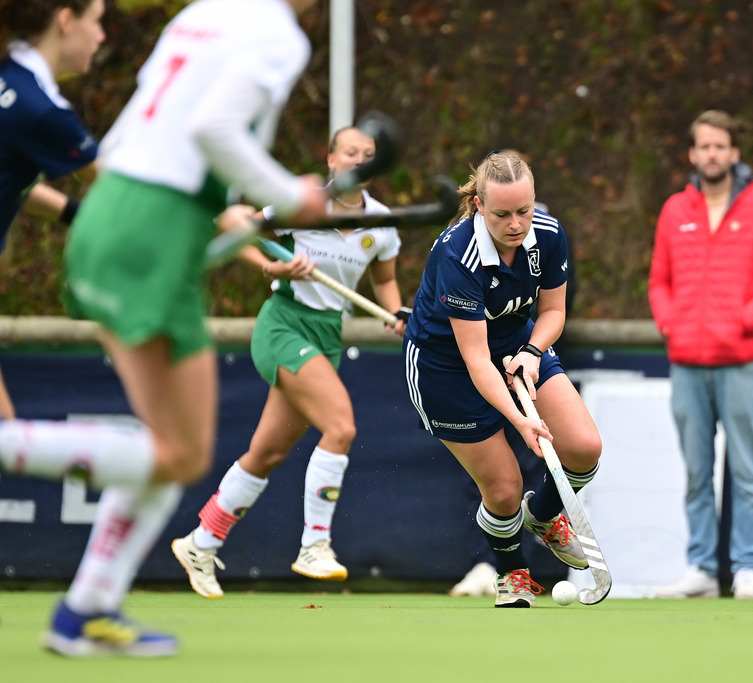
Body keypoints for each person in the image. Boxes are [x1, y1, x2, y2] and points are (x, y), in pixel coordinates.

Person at [0, 0, 329, 656]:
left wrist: (226, 208)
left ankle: (86, 610)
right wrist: (291, 196)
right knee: (180, 454)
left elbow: (142, 135)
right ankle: (86, 606)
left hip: (111, 217)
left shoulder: (203, 12)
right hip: (151, 231)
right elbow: (214, 129)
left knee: (168, 448)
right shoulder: (277, 34)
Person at [172, 126, 407, 598]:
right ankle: (314, 546)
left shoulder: (382, 222)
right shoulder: (300, 204)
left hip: (327, 335)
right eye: (350, 152)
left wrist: (396, 311)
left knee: (267, 453)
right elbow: (231, 224)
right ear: (332, 159)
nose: (358, 161)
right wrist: (271, 266)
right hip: (284, 324)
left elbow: (384, 282)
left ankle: (201, 542)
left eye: (368, 155)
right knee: (340, 427)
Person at [403, 150, 602, 608]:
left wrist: (533, 353)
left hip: (516, 341)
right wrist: (519, 419)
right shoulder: (458, 254)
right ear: (478, 205)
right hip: (444, 367)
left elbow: (553, 311)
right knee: (504, 486)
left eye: (524, 210)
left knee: (583, 447)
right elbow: (475, 361)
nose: (516, 223)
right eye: (502, 213)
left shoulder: (549, 236)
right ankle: (513, 574)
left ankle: (546, 514)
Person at [648, 110, 753, 600]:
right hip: (687, 362)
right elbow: (658, 281)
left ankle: (748, 568)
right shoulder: (675, 209)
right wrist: (669, 322)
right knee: (696, 471)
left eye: (720, 146)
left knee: (746, 467)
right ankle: (701, 568)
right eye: (704, 146)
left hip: (742, 360)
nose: (712, 154)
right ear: (692, 154)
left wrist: (745, 319)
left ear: (735, 152)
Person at [0, 0, 105, 420]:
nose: (100, 36)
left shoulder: (12, 82)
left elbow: (12, 177)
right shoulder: (41, 110)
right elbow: (122, 192)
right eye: (96, 22)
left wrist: (71, 213)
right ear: (65, 21)